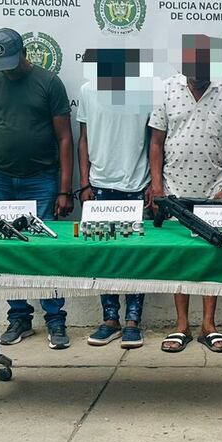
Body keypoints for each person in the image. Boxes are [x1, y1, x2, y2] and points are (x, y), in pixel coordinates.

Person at [0, 28, 75, 349]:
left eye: (12, 61)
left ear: (24, 53)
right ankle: (19, 317)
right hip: (0, 177)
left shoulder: (48, 83)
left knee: (45, 250)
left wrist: (65, 190)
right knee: (8, 248)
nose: (8, 69)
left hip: (41, 179)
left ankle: (55, 320)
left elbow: (65, 138)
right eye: (2, 62)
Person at [148, 34, 222, 353]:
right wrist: (157, 185)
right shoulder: (165, 90)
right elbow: (157, 142)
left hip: (214, 191)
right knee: (181, 257)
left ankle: (209, 326)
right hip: (174, 191)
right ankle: (181, 326)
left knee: (212, 256)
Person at [77, 48, 152, 349]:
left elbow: (155, 138)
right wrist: (84, 183)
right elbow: (83, 137)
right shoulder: (87, 91)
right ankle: (110, 319)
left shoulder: (146, 92)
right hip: (99, 187)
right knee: (103, 254)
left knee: (134, 256)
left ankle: (133, 321)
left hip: (137, 186)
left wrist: (153, 184)